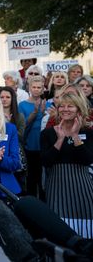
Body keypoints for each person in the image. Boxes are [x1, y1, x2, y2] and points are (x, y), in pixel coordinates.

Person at [41, 93, 93, 238]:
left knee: (86, 231)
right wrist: (60, 139)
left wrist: (75, 136)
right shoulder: (48, 133)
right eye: (61, 106)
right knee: (58, 231)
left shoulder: (88, 133)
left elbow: (87, 159)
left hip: (83, 187)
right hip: (57, 187)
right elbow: (46, 161)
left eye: (70, 106)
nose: (65, 109)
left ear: (78, 109)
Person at [18, 75, 49, 199]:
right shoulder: (22, 104)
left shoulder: (47, 103)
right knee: (31, 176)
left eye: (39, 87)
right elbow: (23, 127)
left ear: (43, 89)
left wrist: (43, 112)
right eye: (34, 87)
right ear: (29, 88)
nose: (36, 89)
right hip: (30, 145)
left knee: (43, 177)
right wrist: (35, 113)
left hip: (44, 145)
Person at [0, 86, 27, 191]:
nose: (4, 99)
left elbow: (21, 137)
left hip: (16, 154)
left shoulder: (19, 116)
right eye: (1, 97)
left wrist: (9, 125)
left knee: (18, 187)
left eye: (7, 97)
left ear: (12, 99)